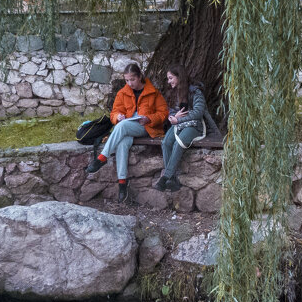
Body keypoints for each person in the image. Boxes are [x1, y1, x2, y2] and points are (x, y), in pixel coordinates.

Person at [86, 62, 168, 203]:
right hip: (126, 129)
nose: (130, 83)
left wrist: (149, 118)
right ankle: (122, 184)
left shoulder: (153, 92)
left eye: (133, 79)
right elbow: (114, 113)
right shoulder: (122, 93)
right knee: (122, 143)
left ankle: (102, 158)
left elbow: (163, 113)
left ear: (140, 77)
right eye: (127, 80)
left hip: (146, 127)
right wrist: (118, 116)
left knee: (122, 126)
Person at [154, 65, 218, 191]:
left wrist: (179, 119)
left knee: (180, 142)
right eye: (168, 79)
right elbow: (171, 112)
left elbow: (198, 112)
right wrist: (173, 117)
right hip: (179, 124)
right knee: (166, 142)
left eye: (171, 78)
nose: (169, 81)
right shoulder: (173, 92)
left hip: (195, 125)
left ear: (179, 77)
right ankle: (172, 180)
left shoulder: (195, 91)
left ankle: (165, 178)